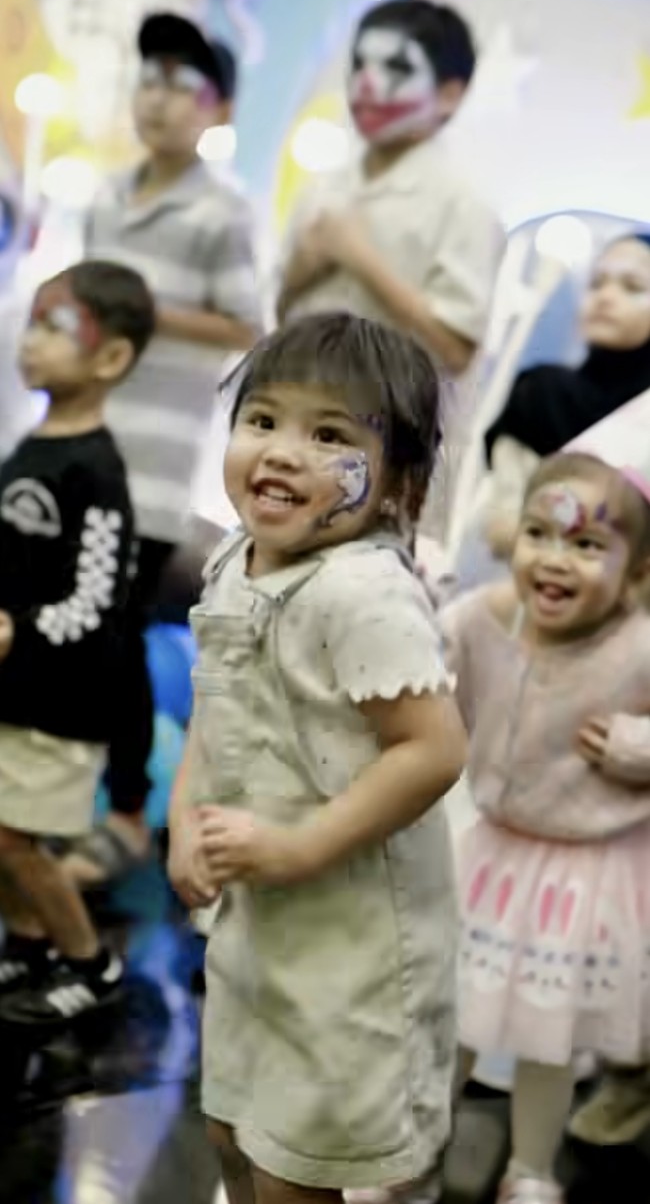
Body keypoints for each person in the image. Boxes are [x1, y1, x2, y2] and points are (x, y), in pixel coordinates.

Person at [168, 312, 467, 1204]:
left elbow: (433, 750)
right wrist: (186, 818)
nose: (283, 452)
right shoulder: (233, 561)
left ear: (395, 485)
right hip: (260, 920)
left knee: (301, 1162)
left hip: (355, 937)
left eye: (329, 435)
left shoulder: (362, 590)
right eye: (263, 421)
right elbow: (211, 709)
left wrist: (301, 847)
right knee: (232, 1124)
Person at [63, 12, 263, 888]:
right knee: (58, 633)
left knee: (112, 644)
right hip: (80, 436)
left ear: (216, 109)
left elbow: (244, 322)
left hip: (152, 466)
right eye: (150, 77)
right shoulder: (107, 193)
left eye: (183, 83)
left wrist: (136, 306)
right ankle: (58, 800)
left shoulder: (223, 210)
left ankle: (123, 813)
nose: (159, 98)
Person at [443, 445, 650, 1203]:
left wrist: (635, 745)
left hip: (581, 873)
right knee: (453, 1018)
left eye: (588, 545)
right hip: (495, 856)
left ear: (634, 571)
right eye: (540, 534)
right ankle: (413, 1145)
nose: (556, 560)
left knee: (549, 1038)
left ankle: (530, 1165)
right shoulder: (483, 620)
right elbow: (427, 673)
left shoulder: (639, 645)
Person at [277, 0, 504, 550]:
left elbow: (455, 347)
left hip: (389, 460)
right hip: (296, 436)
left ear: (450, 95)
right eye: (359, 65)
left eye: (398, 68)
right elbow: (281, 316)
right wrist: (305, 267)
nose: (368, 86)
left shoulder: (463, 205)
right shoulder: (323, 188)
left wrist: (361, 258)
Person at [0, 260, 155, 1025]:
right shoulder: (32, 446)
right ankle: (27, 944)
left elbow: (95, 601)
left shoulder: (97, 468)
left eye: (54, 328)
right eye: (31, 322)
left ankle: (90, 961)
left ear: (111, 358)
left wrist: (16, 631)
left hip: (56, 702)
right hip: (12, 690)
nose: (30, 342)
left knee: (16, 840)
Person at [482, 231, 650, 560]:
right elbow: (501, 527)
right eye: (596, 283)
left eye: (632, 287)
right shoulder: (541, 394)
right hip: (540, 587)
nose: (605, 297)